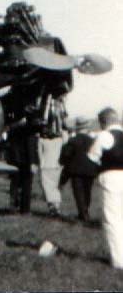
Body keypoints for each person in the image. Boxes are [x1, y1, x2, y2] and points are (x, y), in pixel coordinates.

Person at [87, 107, 123, 270]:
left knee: (113, 219)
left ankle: (119, 260)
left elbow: (92, 157)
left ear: (103, 121)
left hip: (112, 178)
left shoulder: (104, 135)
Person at [60, 117, 100, 222]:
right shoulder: (93, 140)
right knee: (87, 191)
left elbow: (66, 155)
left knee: (79, 192)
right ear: (87, 128)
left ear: (77, 128)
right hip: (90, 170)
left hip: (76, 170)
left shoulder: (73, 140)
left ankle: (83, 214)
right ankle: (85, 211)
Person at [6, 124, 38, 214]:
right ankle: (25, 209)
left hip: (14, 160)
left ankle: (13, 207)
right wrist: (33, 162)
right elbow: (30, 146)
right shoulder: (29, 129)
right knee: (26, 185)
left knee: (14, 184)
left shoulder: (12, 129)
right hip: (26, 161)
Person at [38, 122, 67, 216]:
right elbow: (66, 138)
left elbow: (40, 154)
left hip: (46, 165)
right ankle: (57, 206)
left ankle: (52, 207)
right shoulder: (59, 140)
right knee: (55, 187)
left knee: (47, 187)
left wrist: (41, 164)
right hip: (57, 166)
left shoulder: (41, 141)